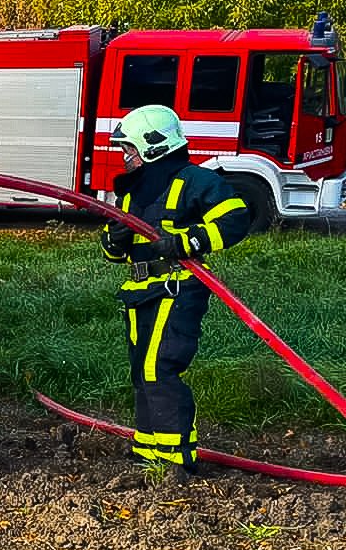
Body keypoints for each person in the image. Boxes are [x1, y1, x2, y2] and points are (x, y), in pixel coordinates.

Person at [99, 104, 252, 482]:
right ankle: (148, 451)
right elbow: (111, 251)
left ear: (153, 146)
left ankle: (176, 460)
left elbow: (236, 218)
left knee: (159, 367)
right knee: (142, 371)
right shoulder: (135, 192)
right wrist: (113, 240)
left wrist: (188, 240)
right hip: (139, 291)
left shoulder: (195, 180)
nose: (125, 158)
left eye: (129, 150)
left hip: (178, 286)